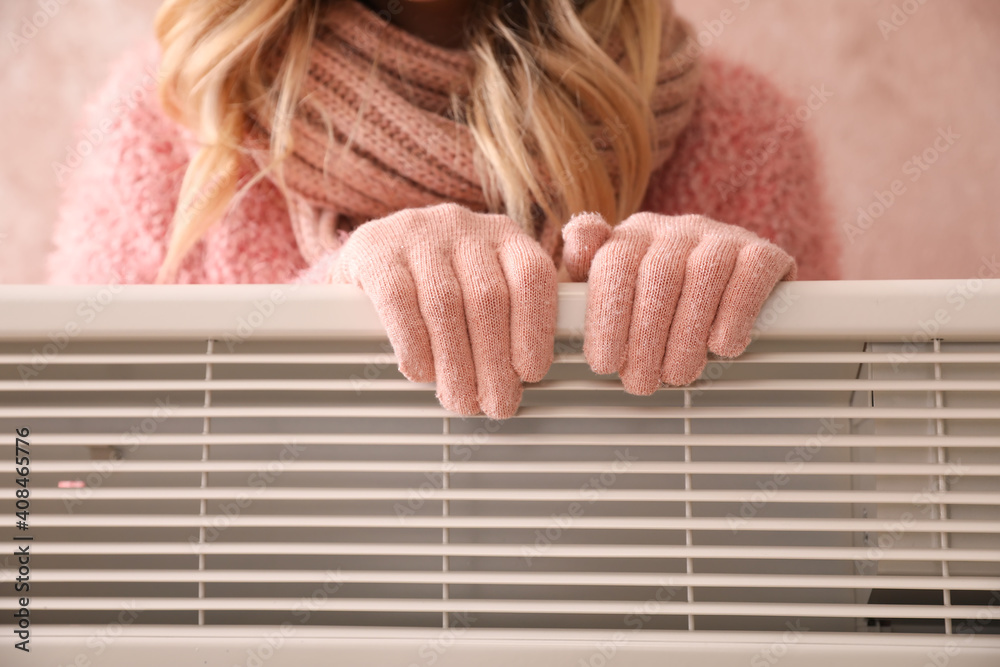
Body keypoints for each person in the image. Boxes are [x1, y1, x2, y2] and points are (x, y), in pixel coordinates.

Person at [46, 0, 841, 419]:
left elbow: (827, 514)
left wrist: (742, 355)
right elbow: (69, 493)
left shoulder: (742, 135)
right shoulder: (167, 118)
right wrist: (338, 309)